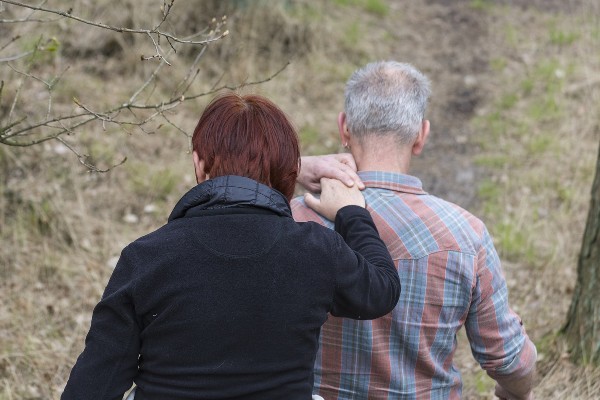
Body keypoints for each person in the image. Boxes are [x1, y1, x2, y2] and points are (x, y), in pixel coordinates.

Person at [61, 92, 401, 400]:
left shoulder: (146, 257)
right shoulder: (315, 250)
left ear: (198, 163)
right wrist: (351, 213)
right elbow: (382, 290)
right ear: (289, 172)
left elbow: (93, 387)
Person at [292, 61, 537, 399]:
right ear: (421, 135)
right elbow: (511, 362)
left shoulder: (292, 219)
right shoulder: (466, 235)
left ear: (344, 128)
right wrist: (514, 393)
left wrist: (294, 166)